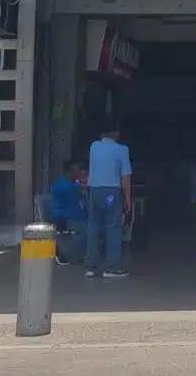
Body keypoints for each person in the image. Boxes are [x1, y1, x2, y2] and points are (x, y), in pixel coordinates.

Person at [85, 119, 133, 278]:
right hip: (110, 194)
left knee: (93, 226)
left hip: (94, 192)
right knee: (112, 226)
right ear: (116, 133)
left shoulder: (94, 147)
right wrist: (128, 199)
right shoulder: (122, 150)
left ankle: (91, 266)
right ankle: (111, 266)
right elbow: (125, 177)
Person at [49, 159, 88, 266]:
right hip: (63, 217)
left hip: (75, 216)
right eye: (76, 171)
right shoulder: (61, 184)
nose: (78, 174)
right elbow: (73, 190)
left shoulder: (74, 185)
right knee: (85, 228)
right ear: (68, 172)